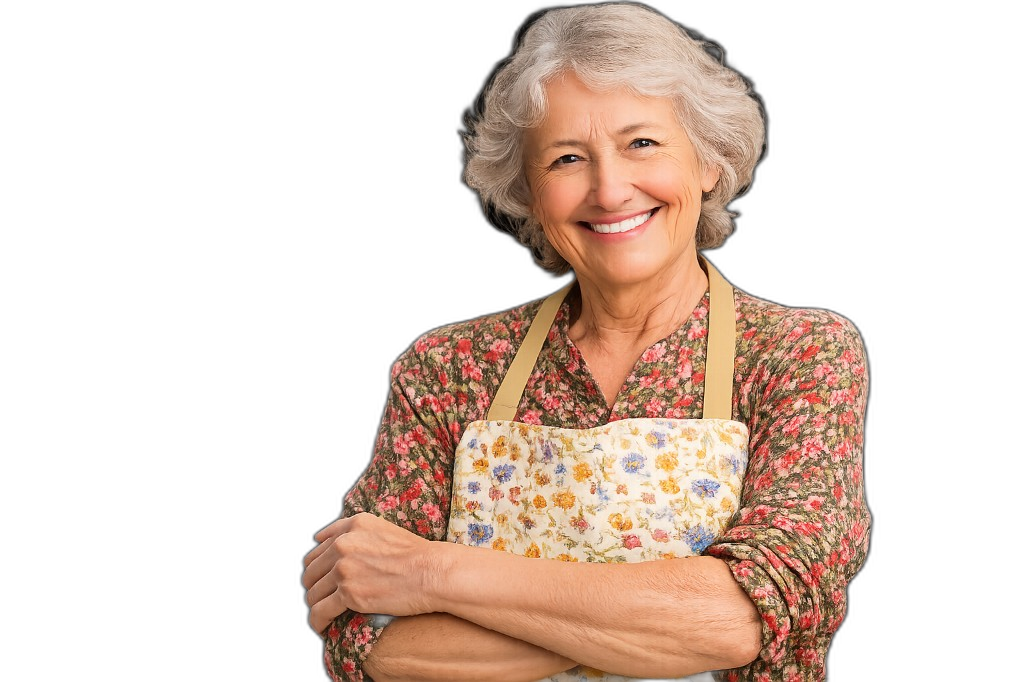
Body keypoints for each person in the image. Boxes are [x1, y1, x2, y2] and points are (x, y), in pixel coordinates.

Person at [302, 2, 870, 680]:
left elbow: (744, 616)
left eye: (642, 144)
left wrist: (433, 574)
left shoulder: (799, 353)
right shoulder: (448, 370)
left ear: (709, 162)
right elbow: (367, 643)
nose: (609, 189)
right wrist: (657, 629)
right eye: (568, 158)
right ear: (529, 192)